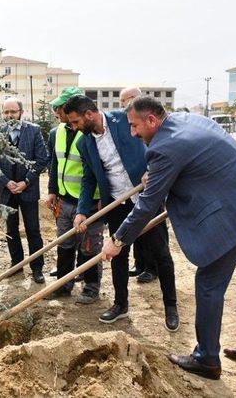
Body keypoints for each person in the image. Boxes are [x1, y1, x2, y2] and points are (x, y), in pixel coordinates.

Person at [100, 96, 236, 380]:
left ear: (152, 120)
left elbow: (147, 205)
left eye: (135, 126)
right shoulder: (187, 120)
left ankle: (206, 358)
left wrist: (118, 241)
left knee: (208, 282)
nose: (133, 133)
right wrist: (157, 176)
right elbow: (194, 162)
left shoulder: (163, 147)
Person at [65, 95, 179, 331]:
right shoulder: (83, 143)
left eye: (75, 122)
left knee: (161, 253)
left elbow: (154, 140)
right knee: (117, 255)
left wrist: (153, 170)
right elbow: (88, 179)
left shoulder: (124, 120)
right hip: (118, 203)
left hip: (146, 197)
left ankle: (170, 306)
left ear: (89, 115)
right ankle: (120, 304)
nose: (74, 128)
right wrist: (81, 211)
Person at [46, 87, 104, 303]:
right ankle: (63, 284)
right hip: (64, 199)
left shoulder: (88, 132)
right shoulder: (56, 133)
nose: (56, 111)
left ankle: (90, 287)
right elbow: (55, 163)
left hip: (89, 203)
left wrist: (100, 200)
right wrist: (52, 190)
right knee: (65, 244)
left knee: (90, 246)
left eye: (60, 107)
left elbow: (97, 171)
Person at [0, 97, 48, 284]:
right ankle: (16, 264)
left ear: (21, 113)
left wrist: (26, 182)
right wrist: (6, 182)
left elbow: (42, 159)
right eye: (6, 112)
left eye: (13, 112)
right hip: (7, 191)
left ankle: (37, 268)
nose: (10, 116)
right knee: (11, 229)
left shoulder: (34, 131)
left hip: (28, 190)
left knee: (33, 230)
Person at [120, 87, 172, 284]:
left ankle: (153, 267)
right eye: (122, 101)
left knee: (153, 229)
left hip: (152, 183)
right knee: (137, 229)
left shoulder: (154, 126)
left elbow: (158, 153)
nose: (124, 104)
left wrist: (151, 171)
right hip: (136, 185)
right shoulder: (131, 125)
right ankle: (140, 263)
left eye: (126, 100)